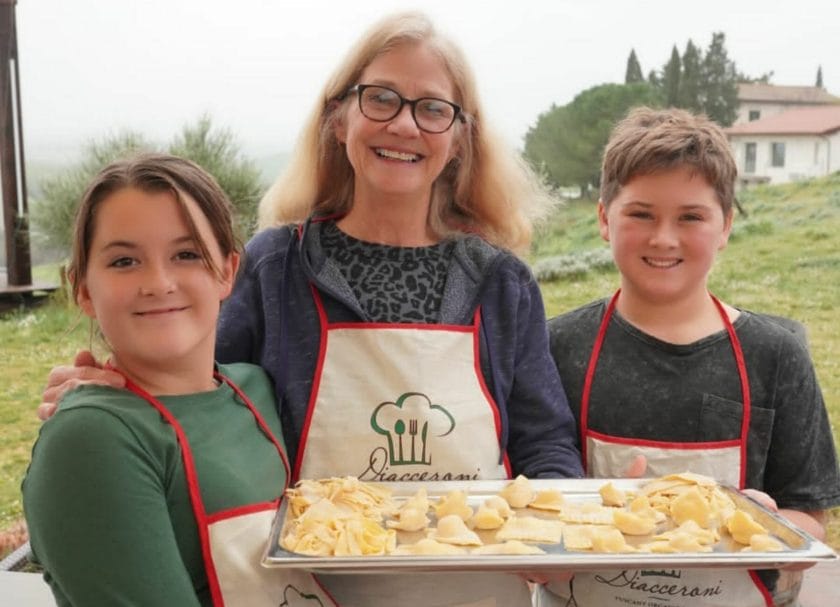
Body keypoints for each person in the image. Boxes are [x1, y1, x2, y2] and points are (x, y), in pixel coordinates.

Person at [37, 12, 583, 607]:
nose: (404, 124)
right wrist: (109, 393)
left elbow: (544, 440)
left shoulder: (503, 282)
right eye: (381, 98)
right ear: (338, 118)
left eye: (432, 108)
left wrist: (557, 530)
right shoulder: (277, 267)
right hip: (313, 591)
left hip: (479, 591)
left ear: (459, 139)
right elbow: (197, 393)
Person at [542, 107, 840, 607]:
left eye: (691, 217)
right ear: (603, 219)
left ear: (725, 226)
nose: (663, 238)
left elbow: (810, 523)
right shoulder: (556, 347)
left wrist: (767, 527)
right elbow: (528, 513)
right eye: (640, 214)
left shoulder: (775, 354)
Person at [23, 154, 334, 606]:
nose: (159, 282)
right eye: (125, 261)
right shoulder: (91, 439)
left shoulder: (252, 389)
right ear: (84, 289)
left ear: (228, 271)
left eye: (186, 254)